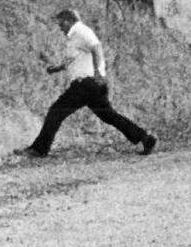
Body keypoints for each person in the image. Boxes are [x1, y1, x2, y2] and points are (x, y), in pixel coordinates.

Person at [18, 9, 157, 157]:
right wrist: (57, 68)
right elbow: (76, 58)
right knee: (108, 115)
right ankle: (145, 138)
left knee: (56, 112)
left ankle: (39, 150)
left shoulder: (80, 31)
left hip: (86, 84)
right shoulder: (75, 36)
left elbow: (96, 48)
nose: (60, 28)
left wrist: (98, 72)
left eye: (61, 24)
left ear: (67, 21)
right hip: (93, 85)